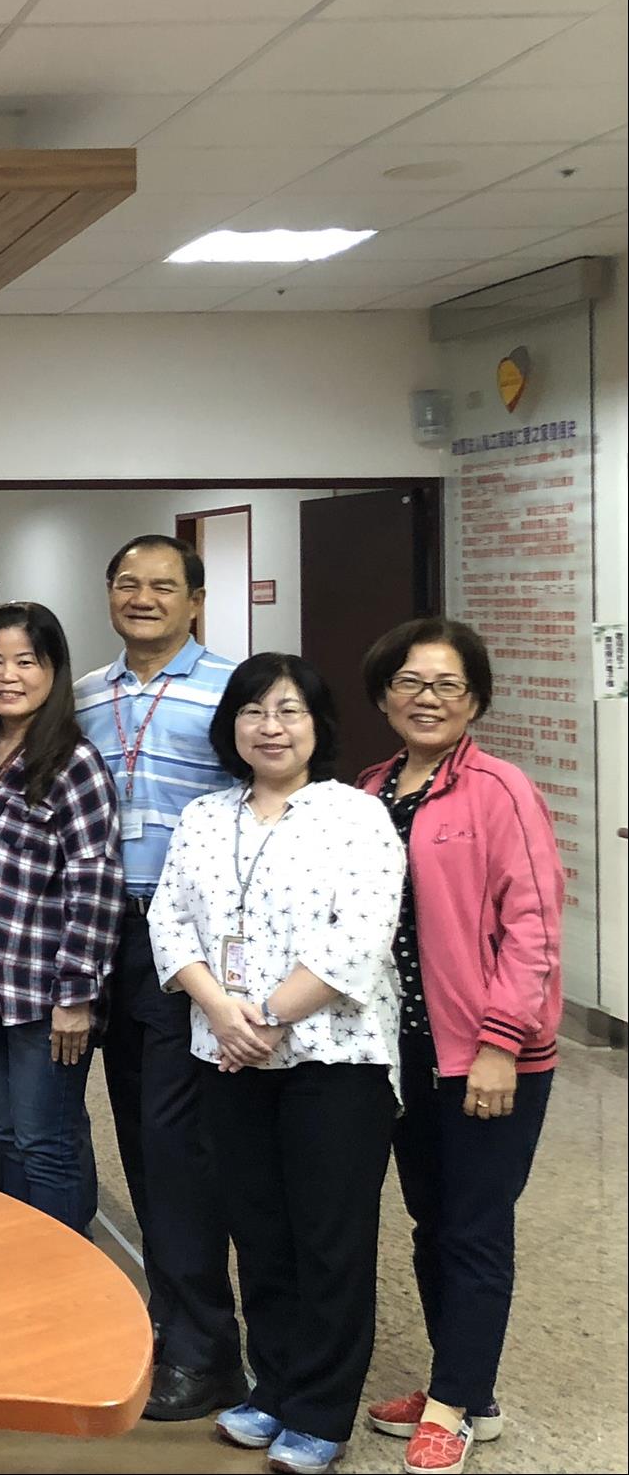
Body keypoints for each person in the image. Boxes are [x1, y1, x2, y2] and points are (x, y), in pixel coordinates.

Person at [148, 654, 405, 1475]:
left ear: (318, 725)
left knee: (329, 1237)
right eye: (254, 711)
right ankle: (276, 1387)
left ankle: (322, 1409)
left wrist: (261, 1016)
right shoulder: (204, 815)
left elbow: (360, 935)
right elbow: (169, 922)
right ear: (231, 725)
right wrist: (222, 1012)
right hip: (228, 1056)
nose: (271, 727)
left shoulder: (356, 816)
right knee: (258, 1230)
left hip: (334, 1059)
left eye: (290, 711)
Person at [357, 617, 564, 1475]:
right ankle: (464, 1386)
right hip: (402, 1051)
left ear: (474, 699)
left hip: (485, 1052)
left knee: (475, 1226)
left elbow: (534, 925)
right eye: (410, 682)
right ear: (384, 695)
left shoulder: (500, 789)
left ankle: (456, 1404)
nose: (428, 698)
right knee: (431, 1222)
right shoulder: (369, 789)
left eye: (447, 684)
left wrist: (499, 1043)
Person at [73, 534, 243, 1420]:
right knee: (137, 1135)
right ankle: (172, 1318)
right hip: (105, 930)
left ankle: (208, 1349)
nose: (143, 598)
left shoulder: (232, 691)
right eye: (128, 584)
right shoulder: (86, 695)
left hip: (189, 946)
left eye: (164, 586)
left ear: (196, 601)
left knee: (180, 1145)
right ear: (109, 593)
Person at [0, 602, 120, 1233]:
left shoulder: (73, 761)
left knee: (45, 1140)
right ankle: (25, 1259)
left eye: (26, 662)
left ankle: (69, 1270)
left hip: (43, 988)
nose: (8, 676)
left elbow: (95, 882)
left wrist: (77, 995)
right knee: (7, 1132)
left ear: (54, 671)